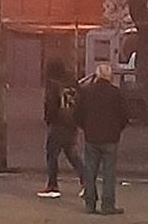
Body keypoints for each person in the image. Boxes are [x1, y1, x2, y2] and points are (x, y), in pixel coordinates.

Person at [72, 62, 130, 215]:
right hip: (111, 138)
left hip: (92, 137)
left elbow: (77, 113)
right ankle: (108, 205)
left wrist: (85, 127)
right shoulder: (116, 93)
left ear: (97, 75)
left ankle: (90, 204)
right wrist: (117, 129)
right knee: (109, 173)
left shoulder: (87, 92)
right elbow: (124, 116)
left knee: (90, 171)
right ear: (109, 76)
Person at [37, 59, 85, 198]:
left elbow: (51, 104)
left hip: (58, 123)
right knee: (72, 154)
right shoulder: (73, 83)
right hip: (72, 123)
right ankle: (86, 181)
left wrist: (48, 119)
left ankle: (53, 185)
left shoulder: (53, 84)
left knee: (52, 155)